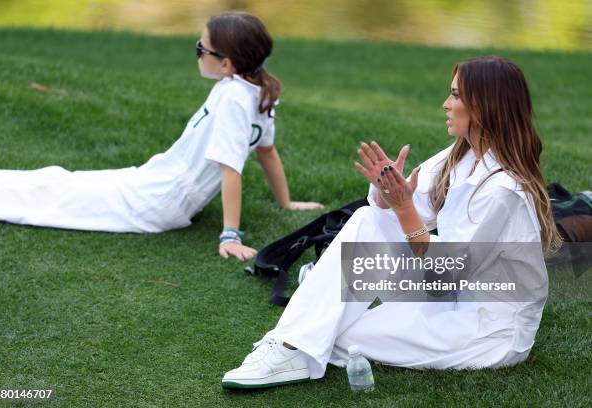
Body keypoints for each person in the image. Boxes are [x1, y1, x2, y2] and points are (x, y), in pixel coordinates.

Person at [221, 56, 562, 388]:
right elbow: (398, 207)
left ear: (484, 106)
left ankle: (317, 304)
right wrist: (388, 193)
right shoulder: (462, 153)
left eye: (456, 95)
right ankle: (288, 345)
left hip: (488, 328)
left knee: (338, 336)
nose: (445, 103)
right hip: (446, 291)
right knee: (368, 219)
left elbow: (449, 267)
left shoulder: (503, 190)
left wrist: (403, 209)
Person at [0, 12, 323, 260]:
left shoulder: (235, 98)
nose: (198, 53)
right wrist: (285, 203)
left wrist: (230, 235)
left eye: (201, 49)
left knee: (56, 195)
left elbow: (231, 169)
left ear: (226, 64)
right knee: (55, 182)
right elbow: (267, 151)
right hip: (155, 183)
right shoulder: (258, 88)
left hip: (158, 202)